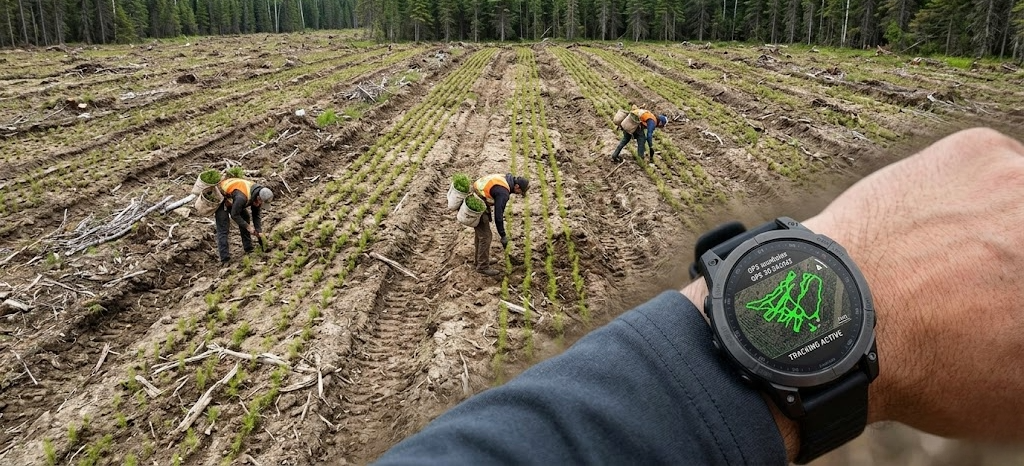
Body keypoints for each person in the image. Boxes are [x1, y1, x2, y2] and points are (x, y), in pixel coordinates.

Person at [374, 127, 1024, 464]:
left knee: (633, 147)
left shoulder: (633, 128)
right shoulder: (491, 193)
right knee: (483, 237)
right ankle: (483, 261)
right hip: (472, 211)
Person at [471, 173, 529, 277]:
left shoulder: (506, 178)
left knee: (481, 234)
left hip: (476, 194)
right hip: (476, 201)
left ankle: (479, 260)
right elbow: (498, 216)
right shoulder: (503, 192)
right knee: (486, 236)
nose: (519, 194)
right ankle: (482, 266)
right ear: (517, 186)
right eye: (520, 192)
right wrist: (503, 235)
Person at [215, 177, 273, 263]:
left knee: (245, 217)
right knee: (223, 228)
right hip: (221, 197)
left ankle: (248, 248)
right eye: (261, 203)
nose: (260, 205)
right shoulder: (242, 198)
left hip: (234, 197)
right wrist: (248, 227)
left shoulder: (257, 194)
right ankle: (225, 259)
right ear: (258, 198)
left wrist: (259, 232)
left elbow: (256, 215)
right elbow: (235, 215)